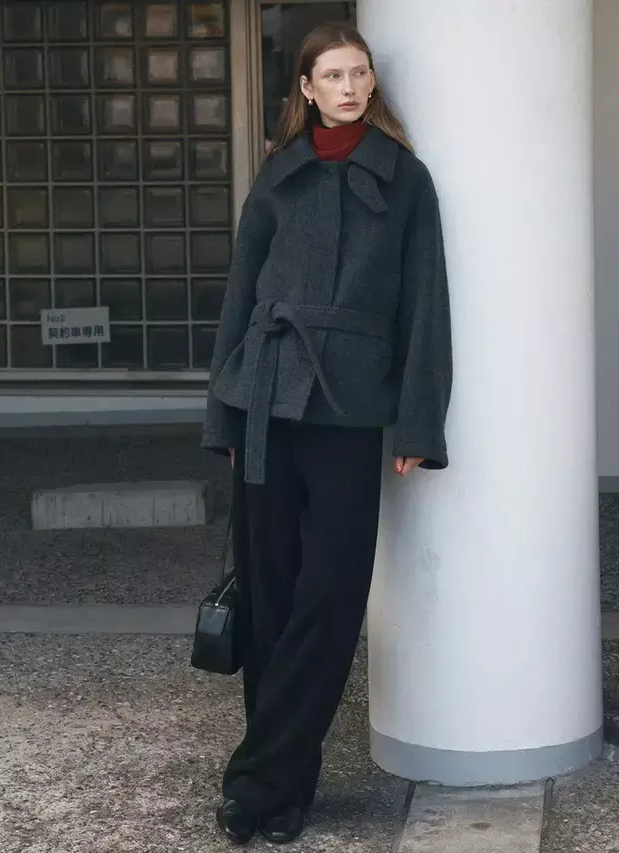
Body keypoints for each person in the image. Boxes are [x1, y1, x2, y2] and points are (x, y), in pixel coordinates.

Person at [202, 22, 452, 846]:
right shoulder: (279, 174)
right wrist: (224, 414)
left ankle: (255, 779)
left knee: (330, 596)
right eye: (334, 76)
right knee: (270, 595)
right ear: (306, 89)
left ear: (373, 83)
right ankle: (283, 792)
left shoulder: (405, 179)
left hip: (349, 407)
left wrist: (416, 419)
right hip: (266, 399)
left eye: (360, 73)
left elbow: (426, 307)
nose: (350, 88)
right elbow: (240, 299)